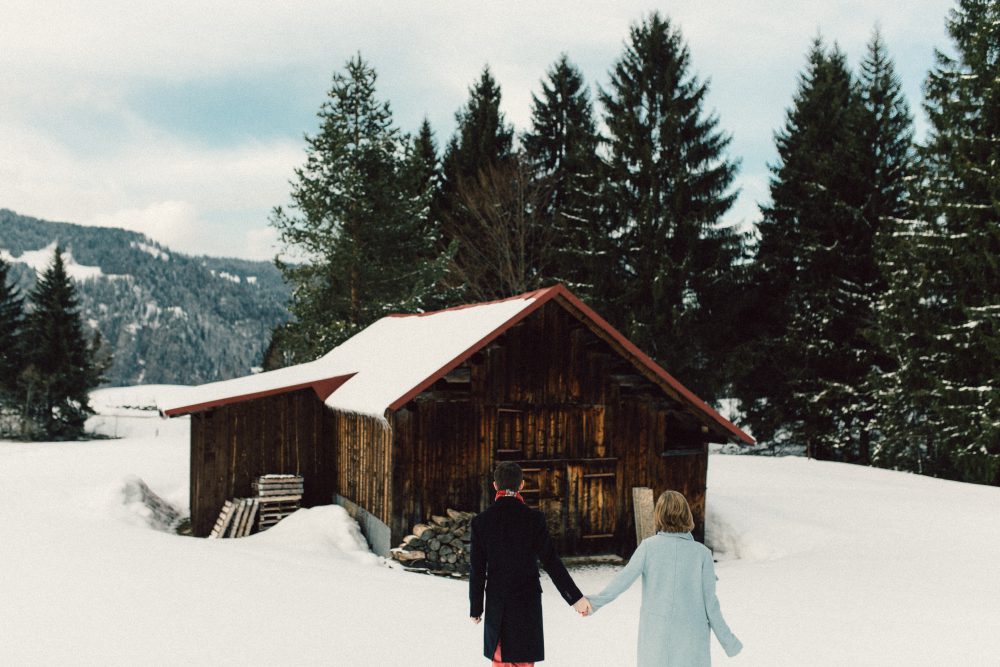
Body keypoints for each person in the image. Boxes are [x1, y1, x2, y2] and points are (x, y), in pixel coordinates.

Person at [582, 490, 742, 666]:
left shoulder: (648, 548)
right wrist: (729, 643)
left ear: (658, 515)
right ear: (686, 514)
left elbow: (621, 582)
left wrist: (593, 604)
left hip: (656, 636)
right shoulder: (702, 554)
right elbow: (711, 605)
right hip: (691, 638)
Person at [470, 461, 592, 666]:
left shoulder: (482, 522)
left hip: (497, 605)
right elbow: (551, 562)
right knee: (524, 661)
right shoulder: (534, 519)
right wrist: (575, 598)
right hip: (526, 606)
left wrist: (476, 607)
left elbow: (477, 570)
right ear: (522, 485)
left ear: (494, 486)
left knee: (501, 662)